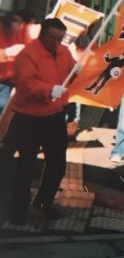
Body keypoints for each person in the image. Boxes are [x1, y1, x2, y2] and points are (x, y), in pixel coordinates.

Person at [7, 18, 76, 224]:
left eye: (60, 38)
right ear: (42, 34)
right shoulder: (28, 54)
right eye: (52, 37)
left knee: (57, 164)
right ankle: (18, 210)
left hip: (54, 116)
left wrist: (82, 70)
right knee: (25, 165)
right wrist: (49, 90)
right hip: (28, 118)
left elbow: (73, 72)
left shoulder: (64, 52)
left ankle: (43, 204)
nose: (56, 42)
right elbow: (26, 84)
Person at [0, 12, 27, 112]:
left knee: (4, 109)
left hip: (8, 82)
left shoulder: (17, 35)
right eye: (19, 23)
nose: (21, 26)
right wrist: (8, 52)